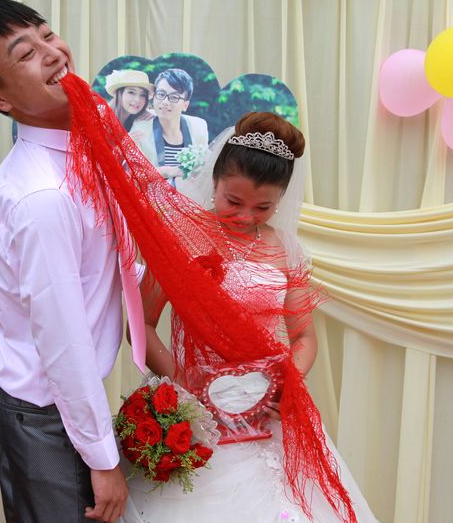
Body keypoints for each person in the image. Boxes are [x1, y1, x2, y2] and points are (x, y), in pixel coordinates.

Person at [121, 113, 379, 522]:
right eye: (233, 201)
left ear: (282, 199)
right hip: (196, 413)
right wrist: (181, 380)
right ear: (214, 181)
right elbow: (141, 325)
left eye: (263, 207)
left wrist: (286, 386)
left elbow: (304, 337)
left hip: (264, 411)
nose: (245, 216)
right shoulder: (181, 237)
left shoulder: (285, 248)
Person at [0, 0, 130, 523]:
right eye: (25, 53)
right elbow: (62, 338)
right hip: (46, 412)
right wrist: (102, 459)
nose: (52, 53)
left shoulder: (81, 146)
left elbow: (100, 270)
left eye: (48, 35)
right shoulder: (41, 195)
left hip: (66, 402)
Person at [130, 68, 209, 187]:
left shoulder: (199, 126)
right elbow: (133, 177)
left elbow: (205, 170)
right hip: (151, 196)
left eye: (174, 97)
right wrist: (167, 171)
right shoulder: (140, 129)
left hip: (191, 195)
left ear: (185, 105)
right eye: (161, 94)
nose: (165, 102)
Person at [104, 69, 154, 134]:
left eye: (143, 95)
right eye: (131, 92)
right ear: (119, 93)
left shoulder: (141, 119)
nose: (137, 100)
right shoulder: (101, 118)